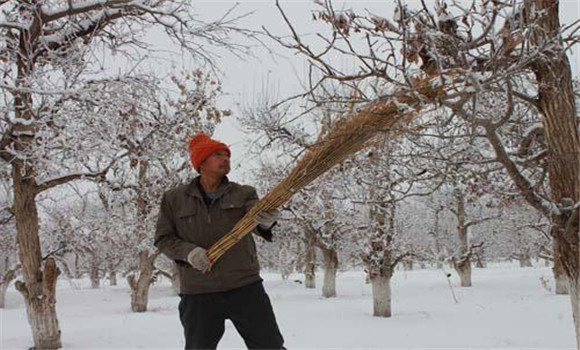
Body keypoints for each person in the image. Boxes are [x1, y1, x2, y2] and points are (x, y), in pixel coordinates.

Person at [154, 134, 285, 350]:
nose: (225, 159)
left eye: (227, 155)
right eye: (218, 155)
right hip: (198, 291)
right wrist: (189, 252)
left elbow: (258, 221)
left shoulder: (244, 193)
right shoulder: (174, 199)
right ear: (201, 162)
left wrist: (267, 221)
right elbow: (163, 238)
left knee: (270, 346)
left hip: (244, 286)